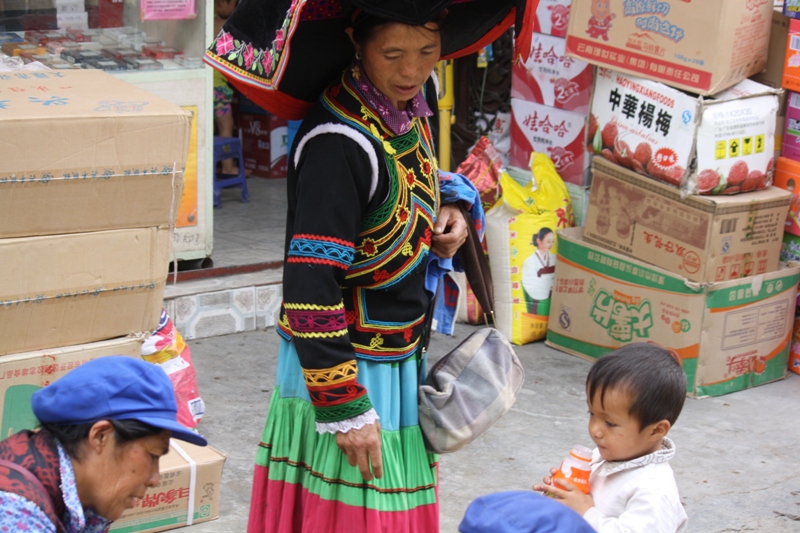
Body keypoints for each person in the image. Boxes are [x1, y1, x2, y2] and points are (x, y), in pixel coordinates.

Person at [0, 356, 207, 532]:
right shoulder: (15, 515)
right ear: (100, 437)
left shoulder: (77, 493)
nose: (154, 479)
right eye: (152, 456)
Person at [533, 343, 688, 532]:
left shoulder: (654, 489)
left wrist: (584, 511)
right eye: (591, 413)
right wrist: (566, 490)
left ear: (656, 431)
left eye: (610, 423)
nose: (595, 430)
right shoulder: (605, 455)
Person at [213, 0, 239, 176]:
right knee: (226, 126)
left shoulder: (210, 22)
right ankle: (228, 167)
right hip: (217, 87)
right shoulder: (225, 26)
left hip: (207, 84)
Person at [521, 227, 556, 316]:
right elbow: (530, 283)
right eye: (548, 242)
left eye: (553, 242)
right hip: (537, 300)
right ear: (539, 241)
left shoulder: (554, 258)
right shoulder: (529, 261)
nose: (551, 245)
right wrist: (550, 287)